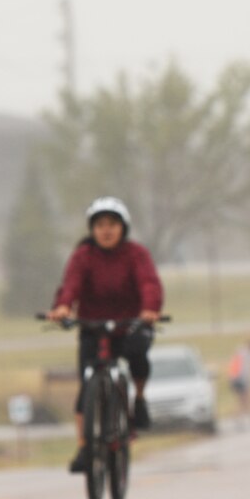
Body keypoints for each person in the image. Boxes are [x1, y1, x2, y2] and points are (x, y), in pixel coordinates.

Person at [50, 197, 163, 474]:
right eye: (100, 225)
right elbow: (71, 284)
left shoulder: (136, 254)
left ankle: (138, 398)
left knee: (139, 353)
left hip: (129, 324)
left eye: (112, 224)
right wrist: (63, 306)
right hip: (92, 326)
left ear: (123, 227)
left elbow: (149, 282)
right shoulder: (83, 255)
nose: (106, 230)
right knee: (87, 384)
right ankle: (85, 447)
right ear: (92, 229)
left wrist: (149, 309)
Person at [226, 337, 250, 423]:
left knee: (242, 401)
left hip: (234, 379)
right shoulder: (247, 355)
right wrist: (248, 384)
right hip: (240, 379)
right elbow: (245, 371)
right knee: (248, 400)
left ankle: (239, 419)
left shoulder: (240, 352)